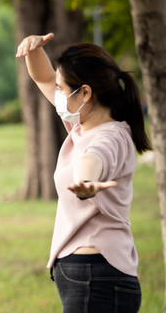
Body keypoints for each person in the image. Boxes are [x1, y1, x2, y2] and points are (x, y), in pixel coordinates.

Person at [16, 33, 151, 312]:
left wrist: (86, 182)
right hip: (90, 273)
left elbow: (93, 160)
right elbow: (43, 78)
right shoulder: (81, 125)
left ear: (86, 93)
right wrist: (33, 50)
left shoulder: (109, 137)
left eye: (63, 89)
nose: (59, 96)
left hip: (95, 274)